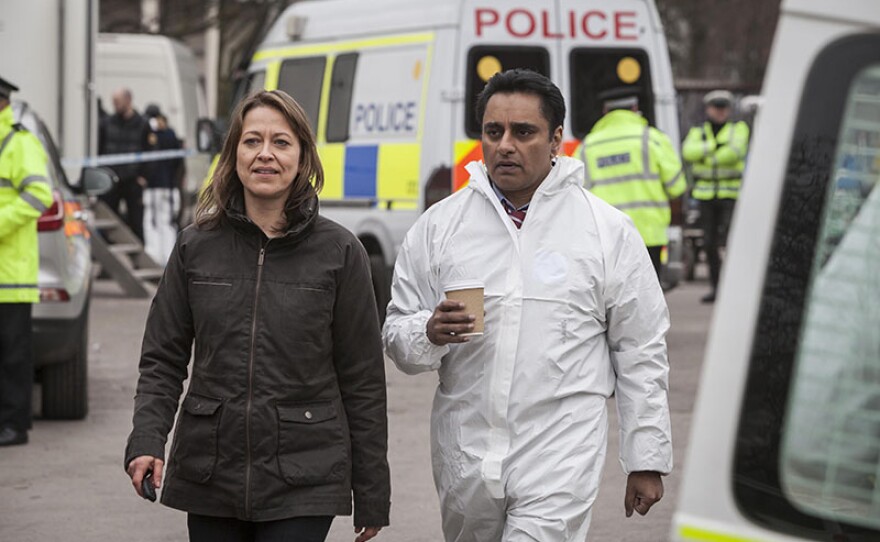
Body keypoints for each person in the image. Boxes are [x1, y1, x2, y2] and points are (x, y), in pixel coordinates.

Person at [383, 69, 672, 541]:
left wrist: (646, 458)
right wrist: (428, 332)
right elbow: (397, 336)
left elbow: (640, 348)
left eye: (524, 132)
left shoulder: (605, 231)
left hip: (560, 452)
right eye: (493, 132)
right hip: (465, 453)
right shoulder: (441, 228)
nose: (504, 146)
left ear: (556, 139)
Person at [124, 90, 390, 542]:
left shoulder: (341, 252)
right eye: (252, 141)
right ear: (234, 155)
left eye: (281, 142)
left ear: (303, 158)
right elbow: (163, 358)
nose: (265, 154)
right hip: (211, 471)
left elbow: (362, 380)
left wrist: (372, 491)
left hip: (305, 474)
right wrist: (148, 439)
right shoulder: (195, 246)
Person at [579, 87, 686, 276]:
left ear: (605, 112)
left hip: (605, 236)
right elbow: (677, 186)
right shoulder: (652, 139)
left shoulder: (588, 145)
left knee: (609, 298)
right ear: (635, 108)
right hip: (649, 234)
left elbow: (575, 192)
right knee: (648, 298)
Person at [0, 76, 53, 447]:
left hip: (11, 274)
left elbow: (40, 194)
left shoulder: (19, 143)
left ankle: (14, 426)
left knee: (13, 355)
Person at [682, 89, 750, 303]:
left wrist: (706, 156)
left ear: (729, 110)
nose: (720, 112)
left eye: (724, 108)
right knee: (709, 244)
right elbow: (687, 152)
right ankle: (717, 287)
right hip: (705, 196)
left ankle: (736, 289)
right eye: (716, 108)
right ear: (708, 109)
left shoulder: (738, 129)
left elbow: (734, 153)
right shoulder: (698, 131)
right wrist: (715, 147)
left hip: (731, 195)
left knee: (733, 243)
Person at [98, 87, 155, 242]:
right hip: (112, 179)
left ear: (128, 100)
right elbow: (100, 151)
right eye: (114, 102)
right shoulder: (107, 123)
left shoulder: (143, 124)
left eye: (118, 102)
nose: (115, 105)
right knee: (108, 221)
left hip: (132, 180)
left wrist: (143, 177)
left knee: (136, 222)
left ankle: (138, 260)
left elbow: (150, 153)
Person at [142, 105, 184, 265]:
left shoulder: (152, 135)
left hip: (154, 187)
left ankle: (154, 256)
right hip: (169, 186)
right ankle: (168, 257)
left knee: (152, 221)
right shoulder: (171, 134)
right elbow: (178, 162)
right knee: (167, 222)